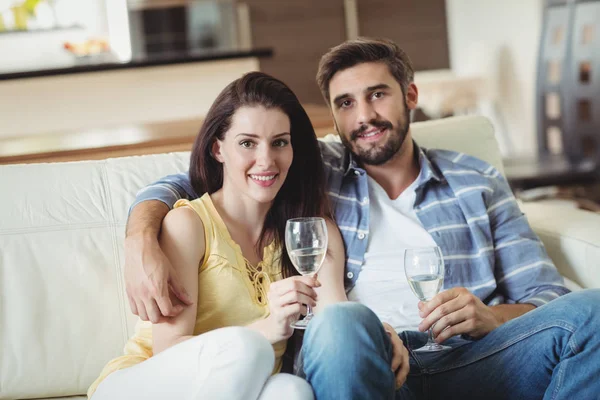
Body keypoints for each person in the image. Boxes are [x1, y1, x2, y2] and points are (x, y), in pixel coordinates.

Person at [122, 38, 600, 400]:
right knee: (342, 322)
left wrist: (492, 316)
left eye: (378, 95)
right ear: (333, 117)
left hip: (472, 356)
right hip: (361, 356)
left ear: (410, 94)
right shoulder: (312, 169)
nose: (365, 115)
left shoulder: (476, 179)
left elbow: (547, 295)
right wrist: (141, 237)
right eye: (346, 103)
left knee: (593, 311)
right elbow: (204, 180)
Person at [88, 72, 349, 400]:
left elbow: (338, 323)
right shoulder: (188, 223)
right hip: (144, 384)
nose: (266, 160)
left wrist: (380, 337)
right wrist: (269, 328)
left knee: (292, 390)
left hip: (244, 389)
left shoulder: (310, 234)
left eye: (279, 142)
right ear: (217, 149)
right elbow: (168, 348)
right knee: (248, 347)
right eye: (247, 143)